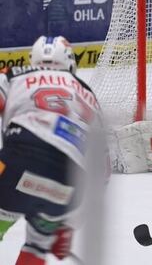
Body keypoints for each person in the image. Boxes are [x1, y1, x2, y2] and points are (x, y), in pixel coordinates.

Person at [0, 36, 105, 265]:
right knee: (38, 243)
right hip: (67, 186)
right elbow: (101, 171)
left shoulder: (15, 75)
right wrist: (67, 225)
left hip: (18, 161)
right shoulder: (89, 95)